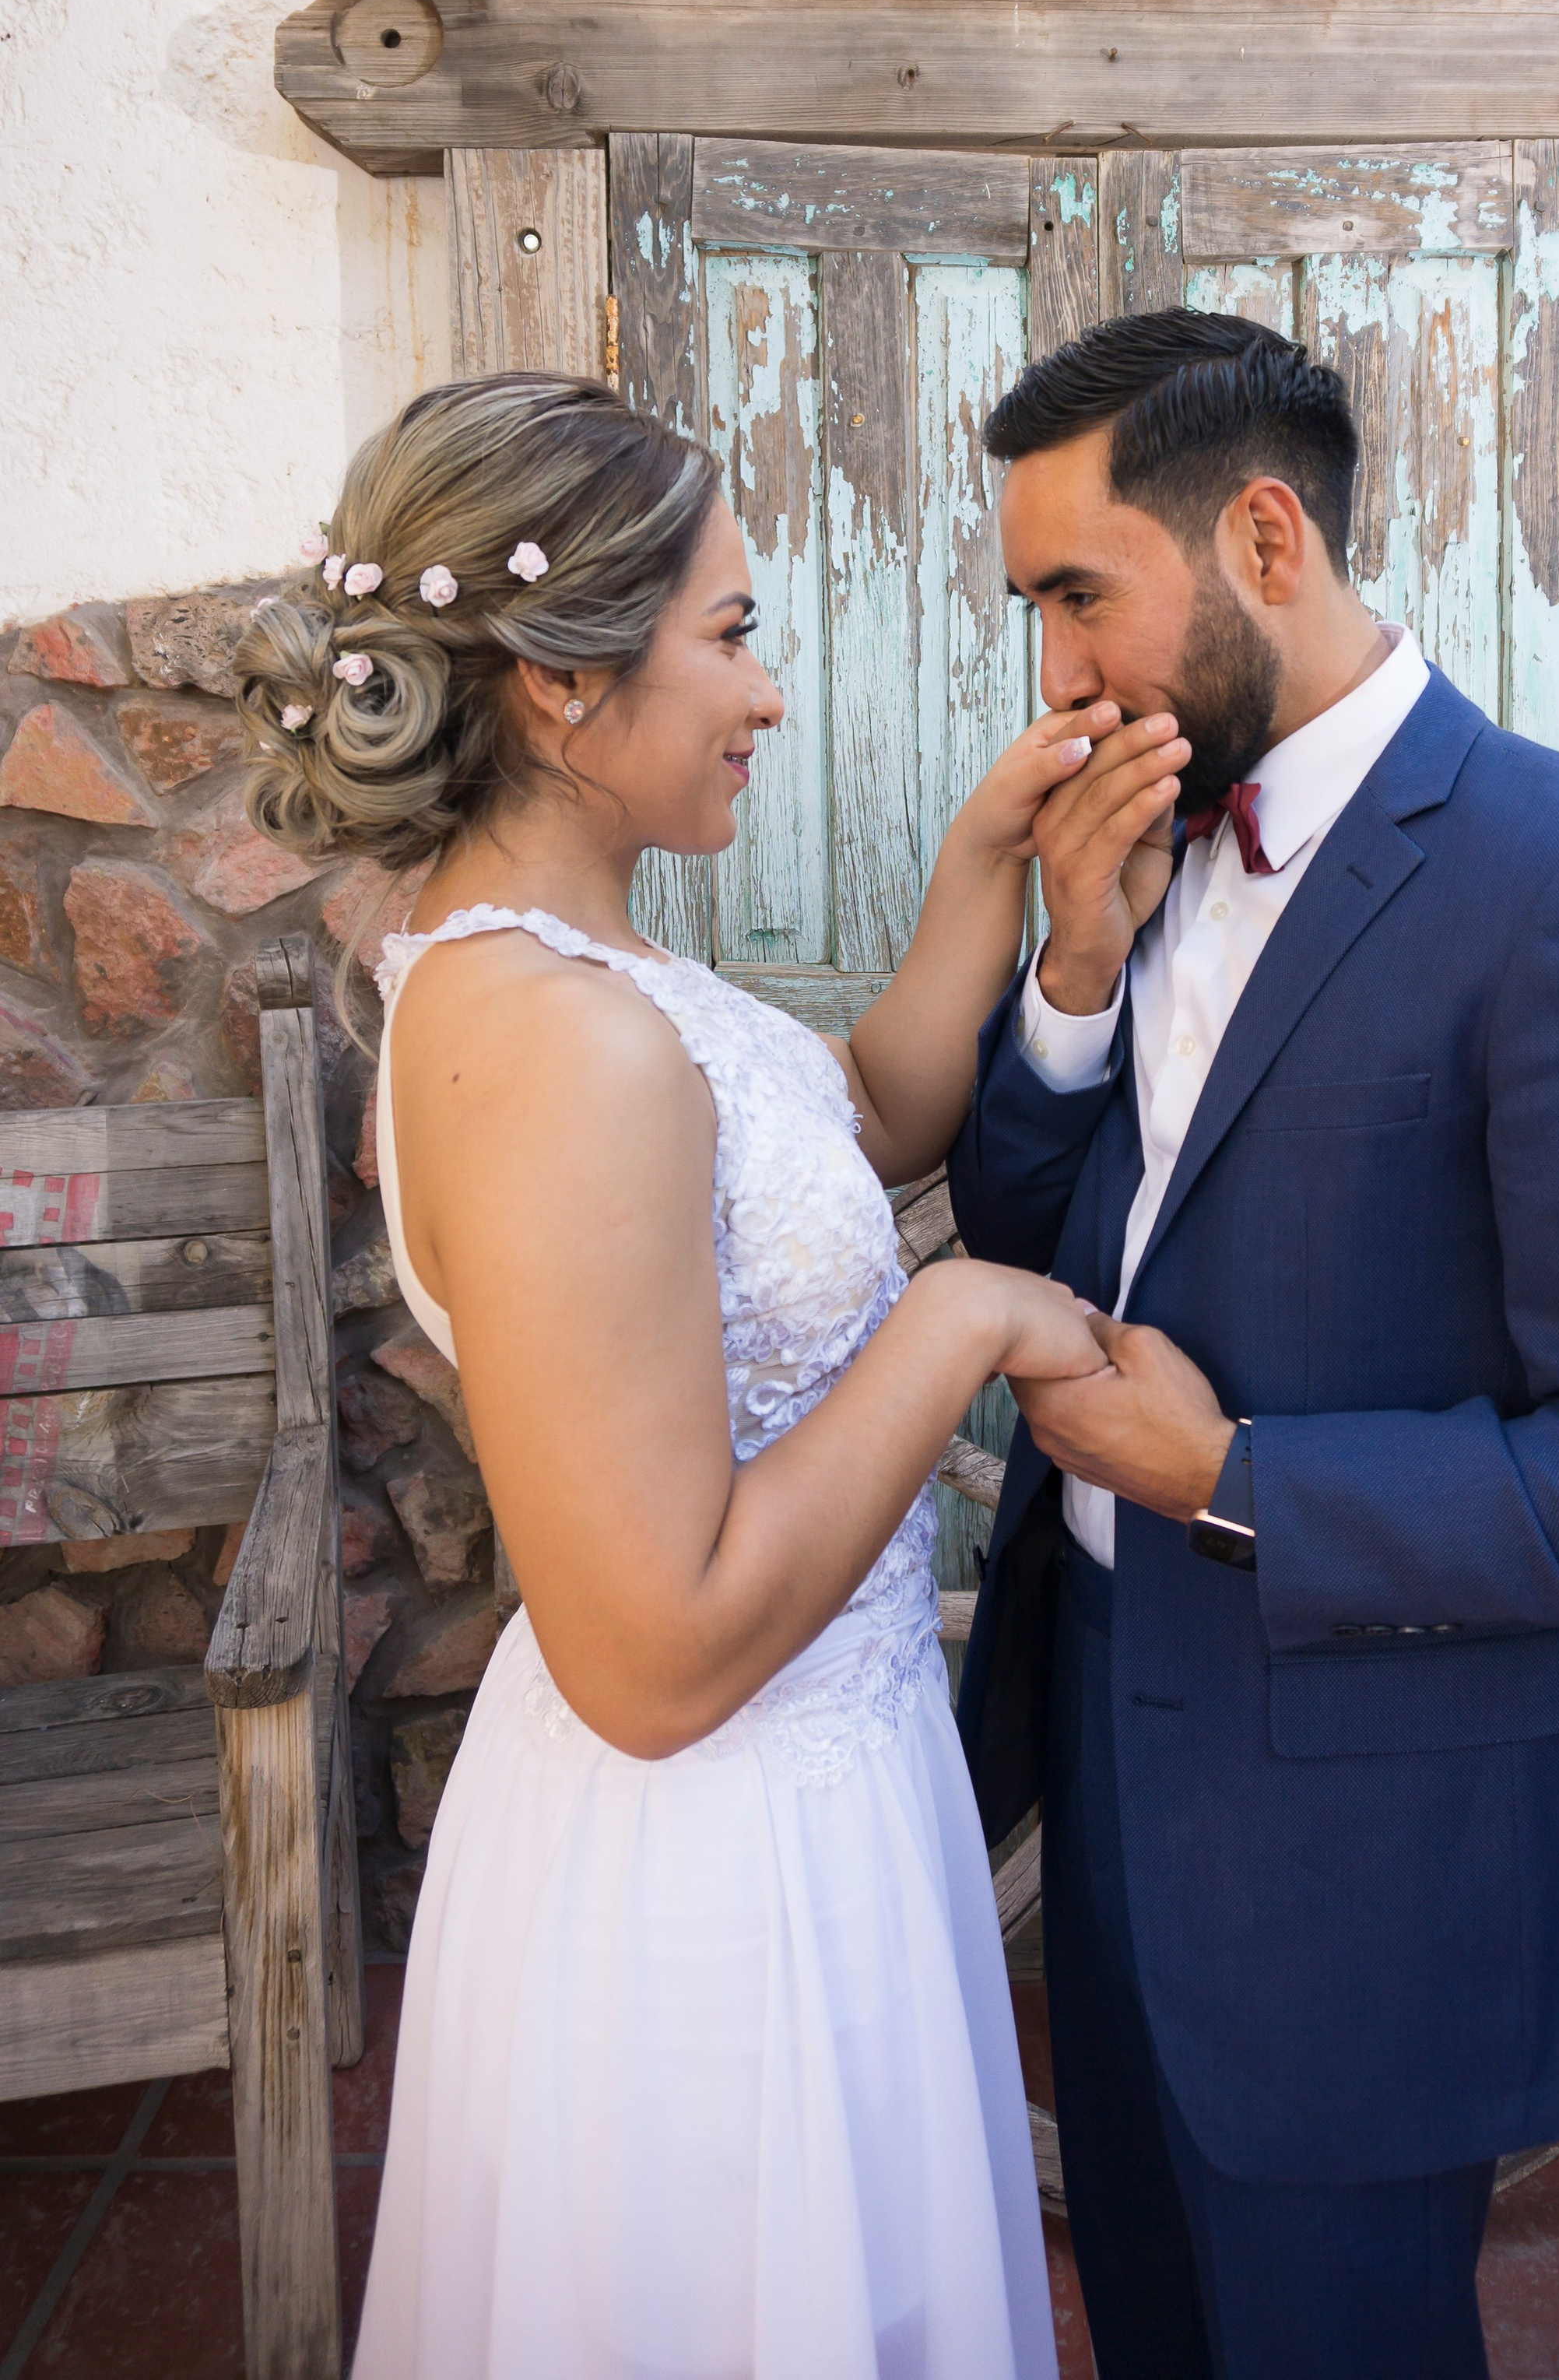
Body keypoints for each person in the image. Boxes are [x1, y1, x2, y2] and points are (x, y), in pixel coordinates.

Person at [238, 370, 1135, 2380]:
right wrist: (967, 1321)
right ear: (562, 687)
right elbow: (652, 1655)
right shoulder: (556, 1044)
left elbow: (856, 1131)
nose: (767, 694)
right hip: (715, 1866)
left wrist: (996, 856)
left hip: (826, 1784)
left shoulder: (592, 972)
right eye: (730, 635)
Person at [946, 311, 1559, 2380]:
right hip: (1104, 1758)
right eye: (1035, 607)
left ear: (1262, 538)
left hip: (1349, 1846)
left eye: (1081, 595)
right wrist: (1067, 972)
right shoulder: (1146, 834)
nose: (1057, 672)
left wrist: (1232, 1482)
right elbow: (1028, 1222)